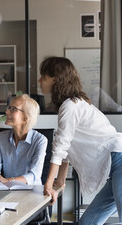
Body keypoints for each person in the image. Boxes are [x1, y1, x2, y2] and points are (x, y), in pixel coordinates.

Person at [39, 57, 122, 224]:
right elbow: (68, 147)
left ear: (55, 79)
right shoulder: (73, 104)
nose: (40, 80)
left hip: (119, 159)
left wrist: (48, 185)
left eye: (44, 76)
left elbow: (60, 147)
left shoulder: (70, 106)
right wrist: (60, 180)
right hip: (114, 166)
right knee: (87, 222)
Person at [0, 94, 47, 186]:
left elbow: (34, 175)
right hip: (6, 190)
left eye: (13, 109)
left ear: (26, 118)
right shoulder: (1, 137)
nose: (6, 111)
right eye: (8, 108)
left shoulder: (40, 140)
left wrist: (6, 180)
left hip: (30, 191)